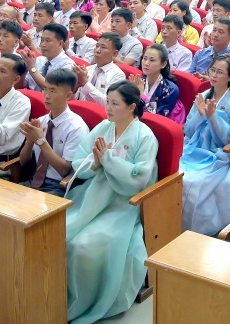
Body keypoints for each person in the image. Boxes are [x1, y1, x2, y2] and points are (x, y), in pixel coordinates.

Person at [64, 81, 158, 324]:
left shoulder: (145, 136)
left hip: (124, 204)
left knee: (84, 246)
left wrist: (107, 159)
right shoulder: (104, 127)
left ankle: (86, 302)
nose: (109, 108)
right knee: (62, 234)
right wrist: (95, 163)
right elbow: (79, 160)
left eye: (115, 103)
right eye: (107, 102)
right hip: (94, 195)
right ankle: (62, 296)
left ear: (132, 107)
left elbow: (140, 178)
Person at [181, 54, 230, 235]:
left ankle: (197, 229)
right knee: (177, 176)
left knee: (195, 182)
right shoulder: (203, 95)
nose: (214, 75)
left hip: (218, 153)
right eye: (212, 70)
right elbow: (189, 130)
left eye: (220, 72)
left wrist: (213, 118)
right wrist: (201, 114)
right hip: (195, 147)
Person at [16, 68, 90, 196]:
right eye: (45, 89)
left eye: (53, 91)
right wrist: (29, 141)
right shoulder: (41, 121)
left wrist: (41, 141)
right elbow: (24, 163)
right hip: (32, 180)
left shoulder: (76, 127)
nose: (47, 95)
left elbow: (64, 170)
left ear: (68, 95)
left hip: (58, 186)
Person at [129, 44, 183, 124]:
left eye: (152, 60)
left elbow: (157, 116)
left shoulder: (170, 89)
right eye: (144, 58)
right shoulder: (139, 81)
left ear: (163, 64)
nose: (146, 63)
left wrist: (142, 95)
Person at [74, 32, 126, 105]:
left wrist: (85, 83)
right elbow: (73, 100)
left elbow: (107, 103)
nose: (97, 50)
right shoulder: (88, 69)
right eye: (97, 46)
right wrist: (75, 88)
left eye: (103, 47)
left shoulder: (118, 75)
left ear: (115, 54)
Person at [22, 23, 74, 92]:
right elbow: (21, 86)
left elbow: (51, 88)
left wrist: (32, 68)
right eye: (42, 40)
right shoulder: (38, 60)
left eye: (47, 41)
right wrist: (23, 71)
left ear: (60, 43)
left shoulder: (68, 65)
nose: (42, 45)